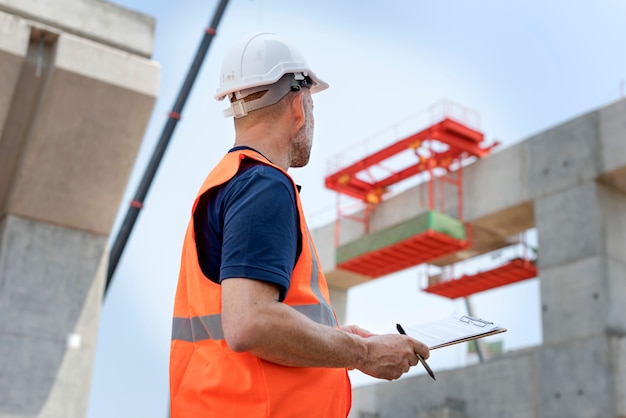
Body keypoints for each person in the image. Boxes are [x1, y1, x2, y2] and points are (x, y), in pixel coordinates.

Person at [169, 32, 429, 418]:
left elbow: (245, 320)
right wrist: (366, 353)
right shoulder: (264, 185)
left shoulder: (226, 183)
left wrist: (337, 339)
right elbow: (250, 323)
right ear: (298, 105)